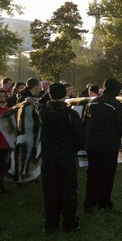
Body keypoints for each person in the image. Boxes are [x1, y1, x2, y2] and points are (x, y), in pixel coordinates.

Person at [39, 83, 84, 233]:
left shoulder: (42, 112)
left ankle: (50, 223)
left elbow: (41, 102)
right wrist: (73, 149)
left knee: (50, 191)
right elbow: (80, 138)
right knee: (69, 190)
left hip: (49, 157)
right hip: (67, 157)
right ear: (65, 95)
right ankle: (70, 223)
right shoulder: (71, 115)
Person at [83, 78, 122, 213]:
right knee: (107, 175)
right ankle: (104, 203)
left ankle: (89, 203)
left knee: (92, 175)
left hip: (92, 145)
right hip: (109, 146)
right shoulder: (116, 105)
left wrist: (84, 141)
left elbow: (85, 124)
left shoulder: (91, 103)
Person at [0, 89, 10, 194]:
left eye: (3, 96)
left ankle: (0, 186)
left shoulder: (8, 110)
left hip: (4, 141)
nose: (1, 98)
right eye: (0, 96)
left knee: (2, 165)